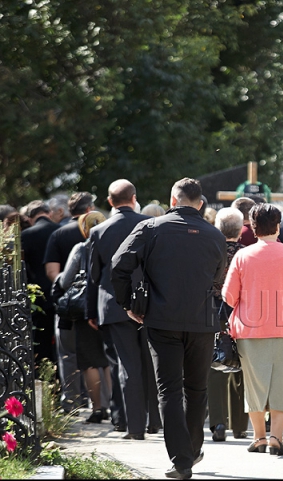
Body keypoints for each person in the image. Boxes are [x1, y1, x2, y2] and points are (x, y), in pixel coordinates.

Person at [111, 178, 226, 480]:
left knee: (170, 391)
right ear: (200, 203)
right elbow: (218, 276)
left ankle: (182, 460)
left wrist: (128, 304)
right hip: (202, 321)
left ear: (172, 200)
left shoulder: (152, 228)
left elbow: (119, 263)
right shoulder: (214, 234)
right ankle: (192, 449)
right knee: (197, 389)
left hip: (162, 319)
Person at [222, 203, 283, 456]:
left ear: (253, 227)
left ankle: (259, 437)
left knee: (254, 386)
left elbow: (229, 297)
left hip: (250, 329)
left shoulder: (242, 256)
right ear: (277, 226)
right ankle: (277, 438)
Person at [87, 179, 161, 438]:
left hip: (114, 306)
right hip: (149, 304)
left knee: (126, 366)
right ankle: (155, 421)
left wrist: (91, 311)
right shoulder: (150, 226)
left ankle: (134, 426)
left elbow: (93, 276)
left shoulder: (99, 231)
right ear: (134, 197)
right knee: (151, 363)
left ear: (109, 201)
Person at [56, 211, 111, 424]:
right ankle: (114, 406)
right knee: (108, 361)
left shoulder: (80, 248)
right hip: (107, 306)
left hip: (85, 310)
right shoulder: (111, 245)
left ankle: (98, 409)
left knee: (89, 362)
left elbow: (65, 281)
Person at [44, 191, 95, 414]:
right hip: (95, 303)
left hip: (69, 306)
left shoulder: (58, 234)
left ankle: (72, 401)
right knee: (97, 355)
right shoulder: (101, 233)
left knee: (68, 353)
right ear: (88, 210)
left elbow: (53, 272)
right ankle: (101, 402)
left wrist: (72, 289)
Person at [207, 207, 249, 442]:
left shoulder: (209, 251)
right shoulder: (247, 253)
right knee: (241, 364)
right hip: (242, 312)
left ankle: (218, 422)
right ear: (241, 230)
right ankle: (240, 425)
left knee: (215, 364)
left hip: (213, 311)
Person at [20, 201, 60, 368]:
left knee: (41, 340)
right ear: (49, 213)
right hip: (61, 291)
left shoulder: (26, 235)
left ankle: (45, 373)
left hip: (38, 295)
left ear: (29, 218)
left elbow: (23, 269)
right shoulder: (59, 231)